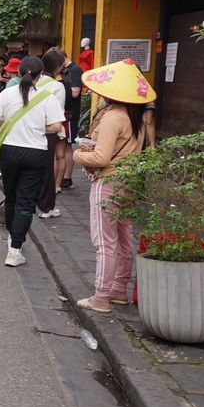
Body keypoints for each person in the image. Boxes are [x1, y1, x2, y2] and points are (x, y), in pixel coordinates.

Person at [72, 59, 155, 313]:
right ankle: (119, 288)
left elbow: (101, 158)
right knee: (124, 236)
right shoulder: (136, 117)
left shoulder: (112, 118)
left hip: (109, 180)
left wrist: (77, 155)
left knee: (104, 241)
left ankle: (100, 297)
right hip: (129, 180)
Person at [0, 57, 65, 267]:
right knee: (26, 201)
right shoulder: (48, 97)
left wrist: (6, 122)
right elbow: (56, 127)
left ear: (18, 73)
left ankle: (12, 237)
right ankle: (15, 249)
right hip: (36, 153)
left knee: (10, 196)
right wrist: (37, 127)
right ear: (41, 74)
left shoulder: (7, 94)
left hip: (10, 151)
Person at [35, 49, 68, 218]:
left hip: (29, 130)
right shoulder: (57, 87)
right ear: (57, 67)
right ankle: (46, 206)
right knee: (48, 169)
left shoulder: (34, 82)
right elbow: (58, 113)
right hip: (47, 131)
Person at [60, 52, 84, 190]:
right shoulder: (67, 70)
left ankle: (67, 178)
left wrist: (60, 86)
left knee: (67, 145)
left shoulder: (75, 70)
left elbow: (75, 92)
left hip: (70, 113)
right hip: (65, 113)